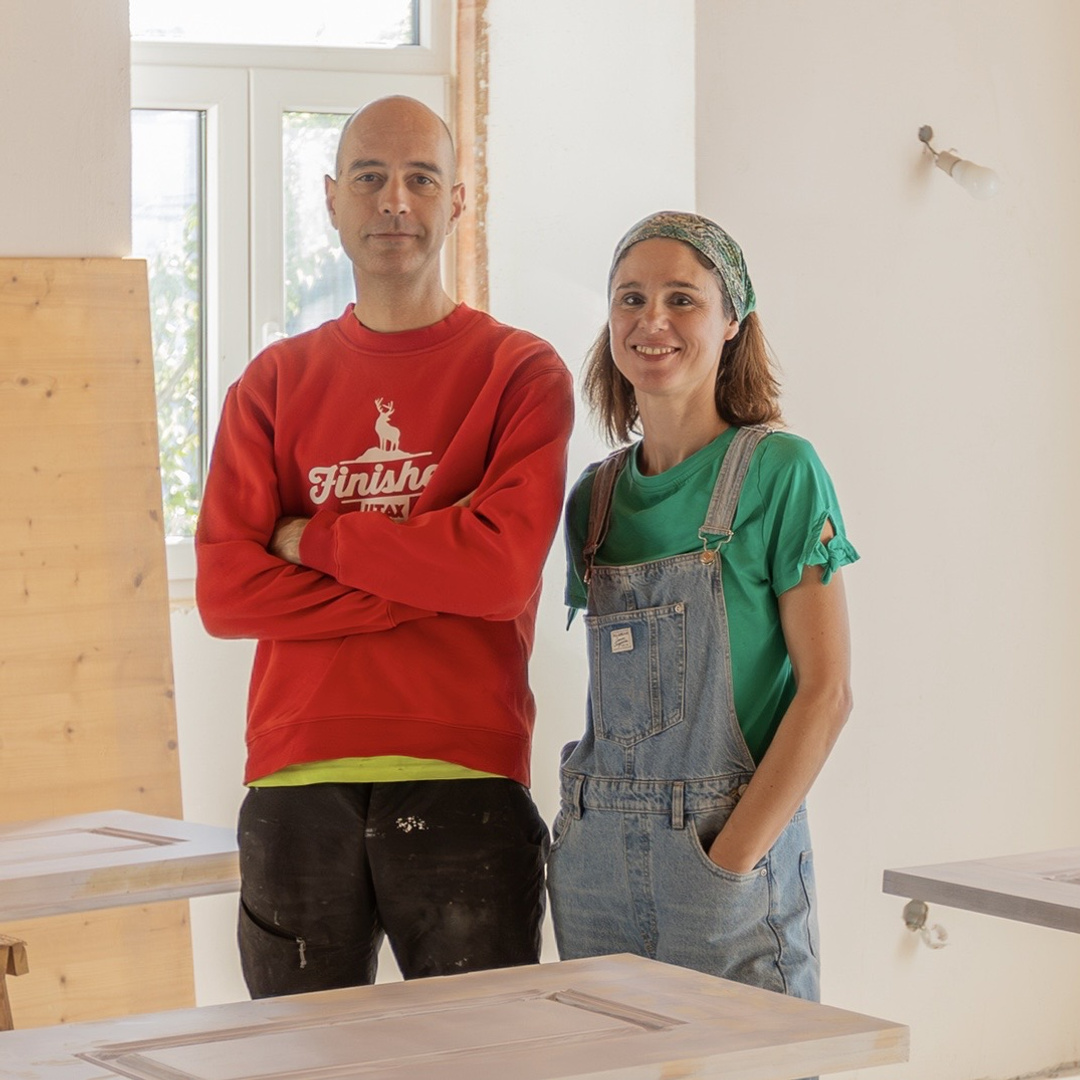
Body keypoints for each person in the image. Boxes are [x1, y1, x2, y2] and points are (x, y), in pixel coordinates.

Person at [195, 96, 573, 997]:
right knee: (301, 1061)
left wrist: (314, 539)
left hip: (465, 774)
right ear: (332, 198)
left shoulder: (520, 374)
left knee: (479, 1058)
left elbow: (502, 572)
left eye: (420, 178)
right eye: (369, 177)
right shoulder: (271, 384)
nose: (394, 200)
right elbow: (227, 593)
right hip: (293, 780)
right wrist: (439, 573)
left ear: (458, 201)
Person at [547, 211, 857, 1002]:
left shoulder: (781, 471)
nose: (651, 320)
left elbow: (826, 694)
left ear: (731, 322)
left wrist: (731, 858)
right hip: (594, 863)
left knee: (758, 1057)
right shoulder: (594, 499)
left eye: (682, 299)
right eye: (631, 298)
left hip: (722, 857)